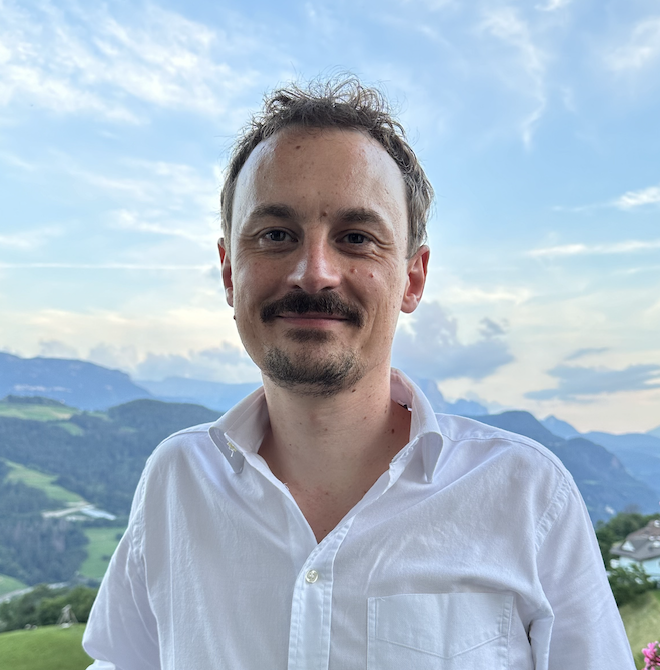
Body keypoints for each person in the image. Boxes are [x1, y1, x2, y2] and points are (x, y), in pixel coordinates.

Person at [83, 77, 635, 669]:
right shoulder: (177, 482)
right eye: (276, 235)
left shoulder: (526, 494)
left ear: (412, 279)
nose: (314, 272)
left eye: (356, 238)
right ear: (228, 271)